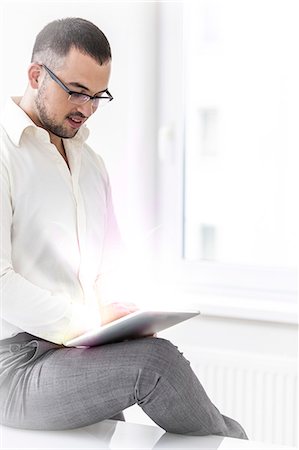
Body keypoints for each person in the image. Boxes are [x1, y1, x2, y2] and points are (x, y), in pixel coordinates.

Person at [0, 17, 247, 438]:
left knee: (171, 388)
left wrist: (124, 319)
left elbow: (107, 269)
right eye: (77, 91)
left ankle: (237, 438)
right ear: (36, 75)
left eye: (99, 95)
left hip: (73, 352)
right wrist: (90, 321)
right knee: (155, 364)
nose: (87, 108)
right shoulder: (6, 153)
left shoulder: (90, 165)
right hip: (14, 367)